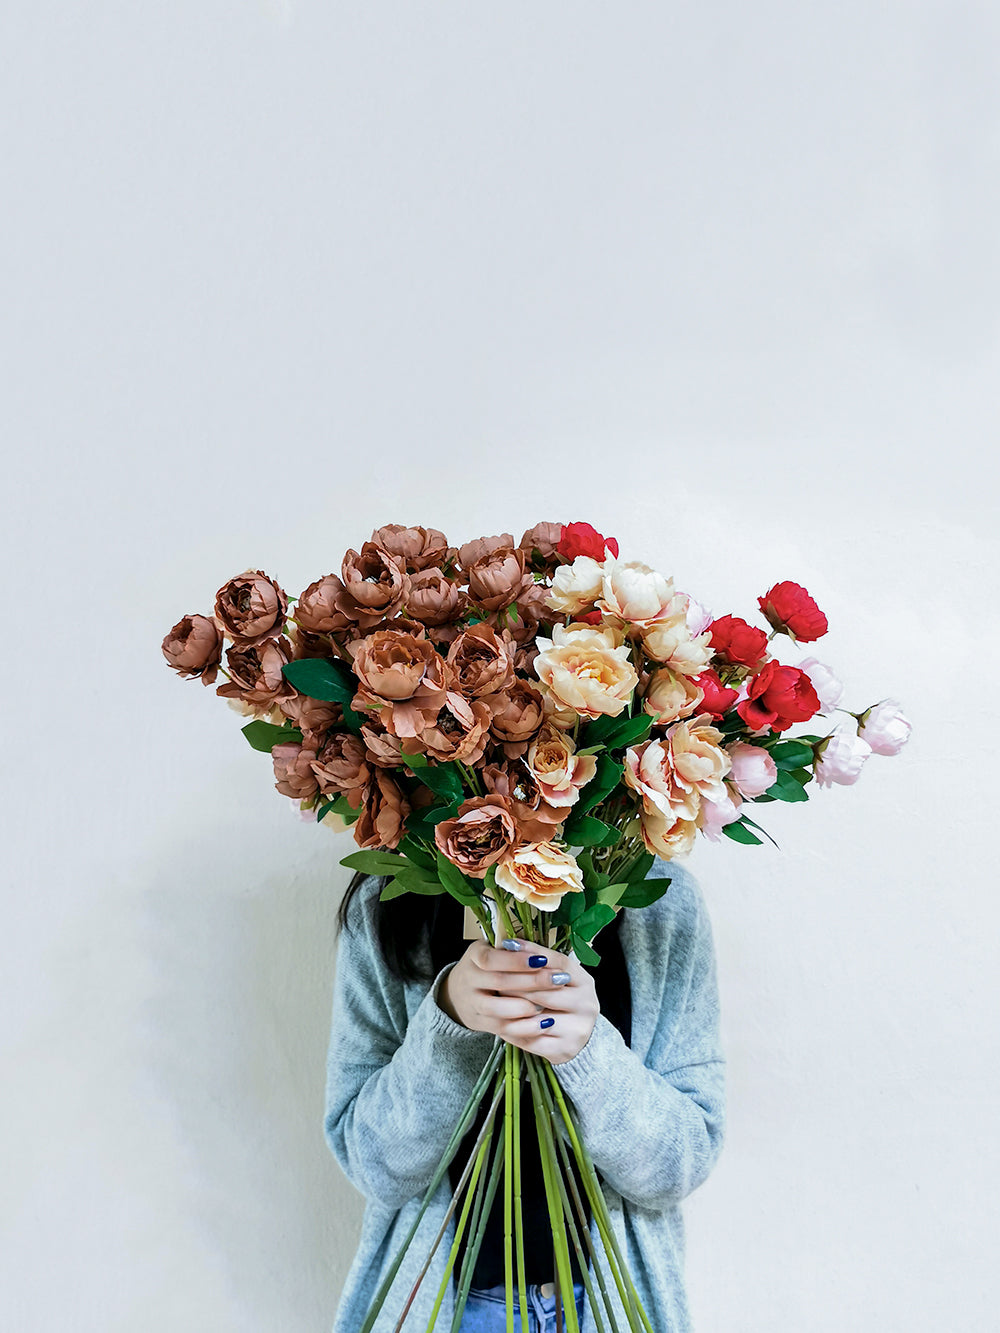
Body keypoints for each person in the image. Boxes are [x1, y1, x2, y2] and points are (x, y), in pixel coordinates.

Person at [323, 854, 726, 1333]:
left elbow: (683, 1162)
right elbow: (371, 1164)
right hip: (446, 1307)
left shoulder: (659, 897)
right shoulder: (387, 895)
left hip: (609, 1308)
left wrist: (587, 1054)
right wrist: (450, 1023)